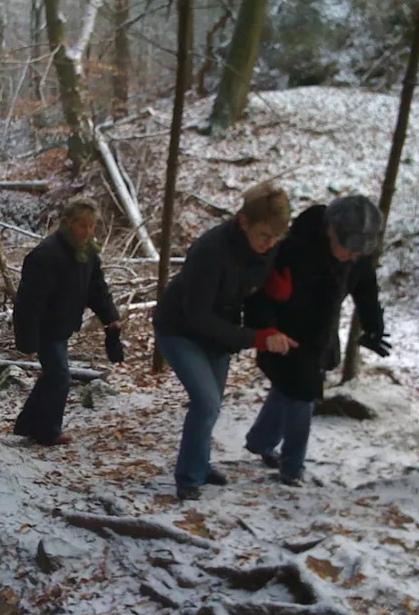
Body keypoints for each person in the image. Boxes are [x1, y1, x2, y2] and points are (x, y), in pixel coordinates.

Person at [153, 182, 296, 501]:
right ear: (243, 221)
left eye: (276, 237)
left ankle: (200, 465)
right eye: (264, 236)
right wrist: (257, 338)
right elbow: (198, 316)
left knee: (212, 404)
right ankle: (188, 478)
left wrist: (275, 292)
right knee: (206, 401)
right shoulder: (210, 251)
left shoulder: (268, 248)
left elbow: (256, 289)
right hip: (180, 328)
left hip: (220, 333)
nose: (270, 244)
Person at [244, 195, 391, 487]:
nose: (351, 257)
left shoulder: (353, 258)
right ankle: (292, 468)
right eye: (347, 249)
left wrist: (374, 328)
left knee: (289, 392)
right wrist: (264, 332)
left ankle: (260, 441)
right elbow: (260, 297)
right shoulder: (293, 250)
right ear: (330, 231)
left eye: (357, 253)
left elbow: (366, 289)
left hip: (319, 338)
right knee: (302, 398)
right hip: (284, 338)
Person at [13, 197, 123, 446]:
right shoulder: (47, 255)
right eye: (82, 225)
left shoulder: (87, 252)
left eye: (92, 226)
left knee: (52, 375)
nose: (88, 231)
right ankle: (47, 431)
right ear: (68, 224)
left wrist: (111, 318)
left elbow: (97, 289)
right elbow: (28, 302)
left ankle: (29, 424)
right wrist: (27, 341)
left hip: (62, 325)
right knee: (60, 376)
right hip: (44, 327)